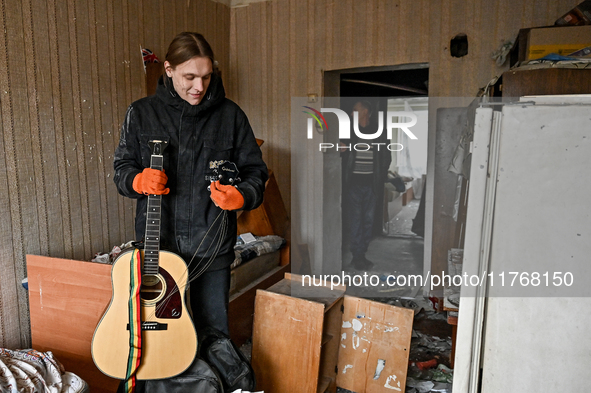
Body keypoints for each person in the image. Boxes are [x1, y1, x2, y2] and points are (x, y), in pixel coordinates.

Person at [113, 32, 268, 336]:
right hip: (158, 246)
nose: (199, 87)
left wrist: (243, 196)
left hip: (211, 248)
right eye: (190, 77)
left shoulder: (231, 116)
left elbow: (256, 171)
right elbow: (121, 170)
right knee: (161, 335)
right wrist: (137, 180)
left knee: (214, 333)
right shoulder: (141, 114)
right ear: (168, 70)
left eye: (207, 77)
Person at [341, 100, 391, 270]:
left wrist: (381, 177)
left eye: (354, 110)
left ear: (365, 112)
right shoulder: (348, 131)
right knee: (355, 221)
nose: (350, 114)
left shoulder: (380, 131)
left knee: (368, 221)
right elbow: (339, 152)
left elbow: (386, 156)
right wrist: (340, 149)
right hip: (353, 184)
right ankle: (357, 256)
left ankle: (361, 254)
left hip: (372, 185)